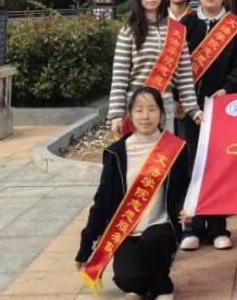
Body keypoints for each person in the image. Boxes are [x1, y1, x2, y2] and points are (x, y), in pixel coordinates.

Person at [77, 86, 183, 300]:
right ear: (129, 114)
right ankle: (145, 284)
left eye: (152, 109)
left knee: (154, 241)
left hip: (161, 228)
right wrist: (85, 247)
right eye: (139, 110)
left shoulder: (176, 148)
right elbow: (102, 202)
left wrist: (186, 209)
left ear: (161, 113)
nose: (145, 116)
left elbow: (185, 187)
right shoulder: (116, 153)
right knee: (126, 279)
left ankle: (162, 287)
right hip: (127, 231)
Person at [177, 0, 237, 253]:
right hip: (189, 109)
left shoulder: (234, 27)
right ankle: (192, 227)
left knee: (218, 167)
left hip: (221, 108)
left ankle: (218, 227)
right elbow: (173, 65)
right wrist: (179, 98)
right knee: (191, 165)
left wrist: (228, 89)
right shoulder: (185, 25)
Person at [107, 0, 203, 136]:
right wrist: (116, 115)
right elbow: (119, 77)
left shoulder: (177, 31)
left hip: (165, 106)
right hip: (136, 108)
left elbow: (184, 77)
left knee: (163, 151)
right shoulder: (129, 30)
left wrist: (193, 110)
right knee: (137, 152)